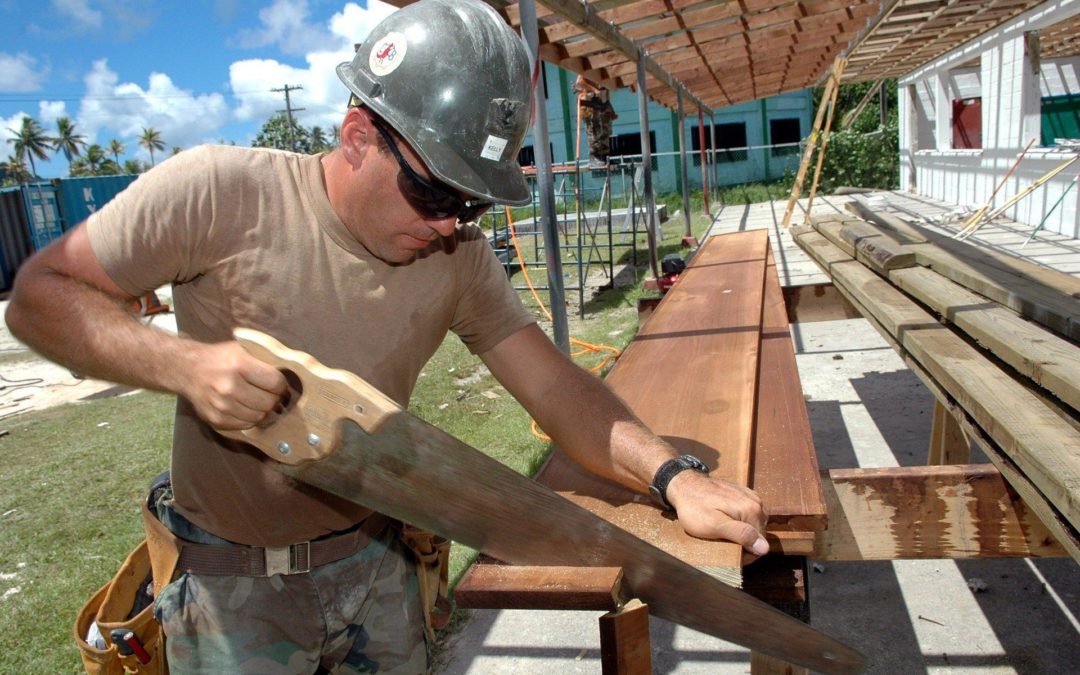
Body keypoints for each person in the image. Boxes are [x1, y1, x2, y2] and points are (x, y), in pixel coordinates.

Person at [5, 1, 767, 673]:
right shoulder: (219, 194)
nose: (448, 225)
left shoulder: (457, 255)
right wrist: (185, 366)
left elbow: (555, 388)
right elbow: (40, 296)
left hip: (376, 564)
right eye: (434, 192)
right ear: (357, 136)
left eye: (470, 204)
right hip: (233, 592)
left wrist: (674, 477)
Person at [574, 74, 617, 169]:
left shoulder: (604, 72)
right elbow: (580, 82)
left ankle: (605, 156)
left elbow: (607, 91)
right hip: (591, 104)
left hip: (603, 104)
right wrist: (594, 90)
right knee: (595, 131)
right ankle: (594, 157)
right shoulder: (587, 69)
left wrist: (610, 110)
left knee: (605, 131)